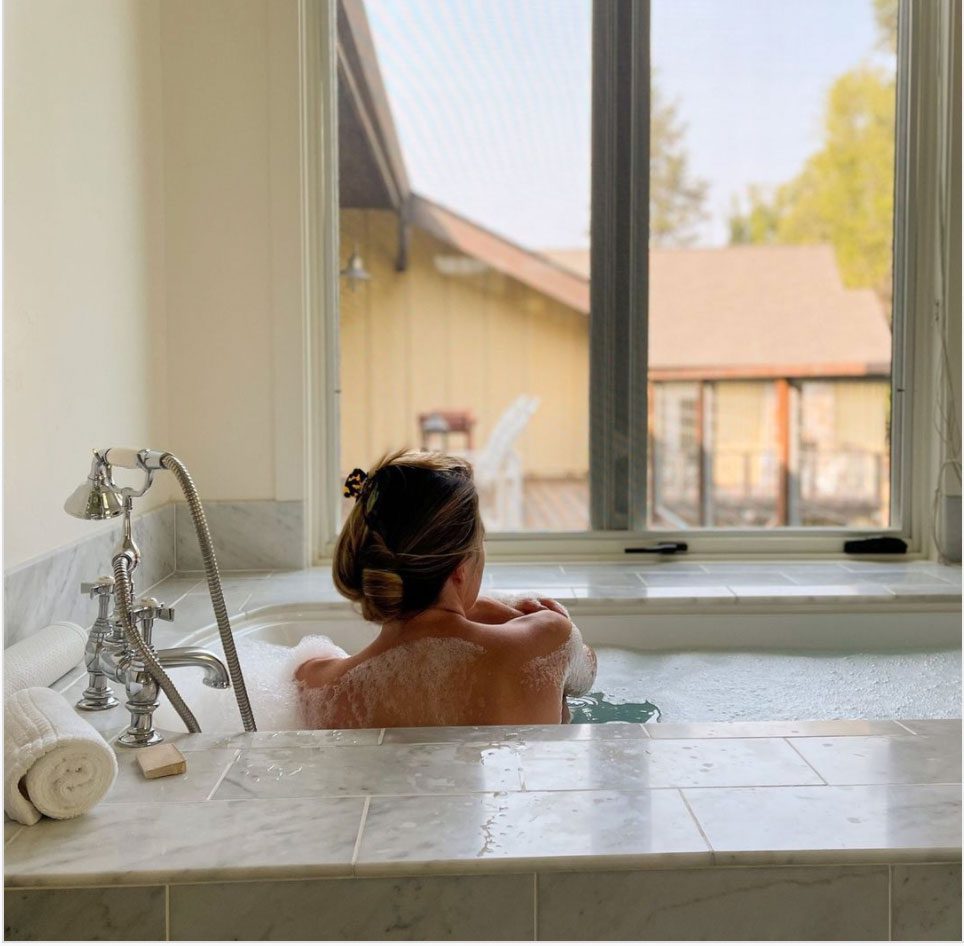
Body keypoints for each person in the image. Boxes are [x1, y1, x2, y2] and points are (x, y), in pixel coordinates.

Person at [295, 450, 597, 729]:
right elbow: (586, 671)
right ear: (460, 569)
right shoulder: (544, 640)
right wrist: (500, 611)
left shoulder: (318, 685)